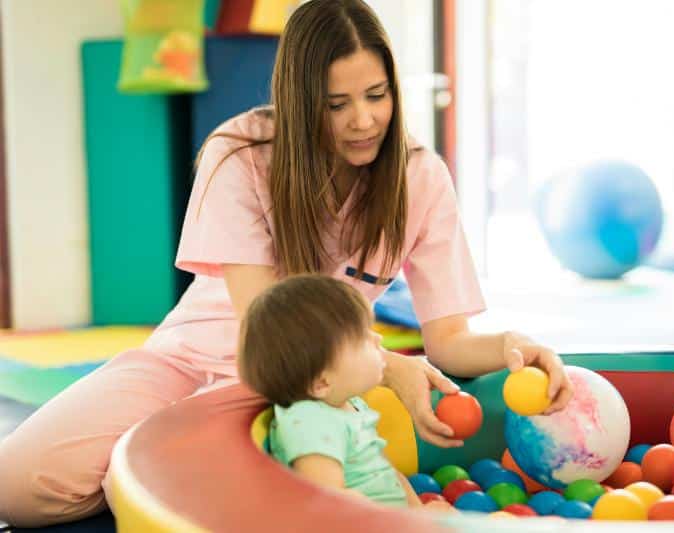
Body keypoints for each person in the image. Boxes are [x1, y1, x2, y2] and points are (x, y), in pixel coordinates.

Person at [0, 0, 572, 526]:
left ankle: (137, 472)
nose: (363, 121)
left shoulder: (421, 177)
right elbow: (263, 326)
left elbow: (447, 340)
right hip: (196, 357)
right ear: (299, 101)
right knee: (16, 490)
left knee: (203, 494)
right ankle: (129, 468)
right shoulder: (241, 152)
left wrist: (508, 347)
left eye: (377, 95)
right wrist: (390, 367)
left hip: (300, 384)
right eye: (336, 104)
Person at [239, 274, 424, 507]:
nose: (377, 338)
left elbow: (387, 473)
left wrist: (420, 514)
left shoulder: (350, 403)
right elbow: (330, 501)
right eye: (363, 338)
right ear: (322, 383)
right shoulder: (310, 421)